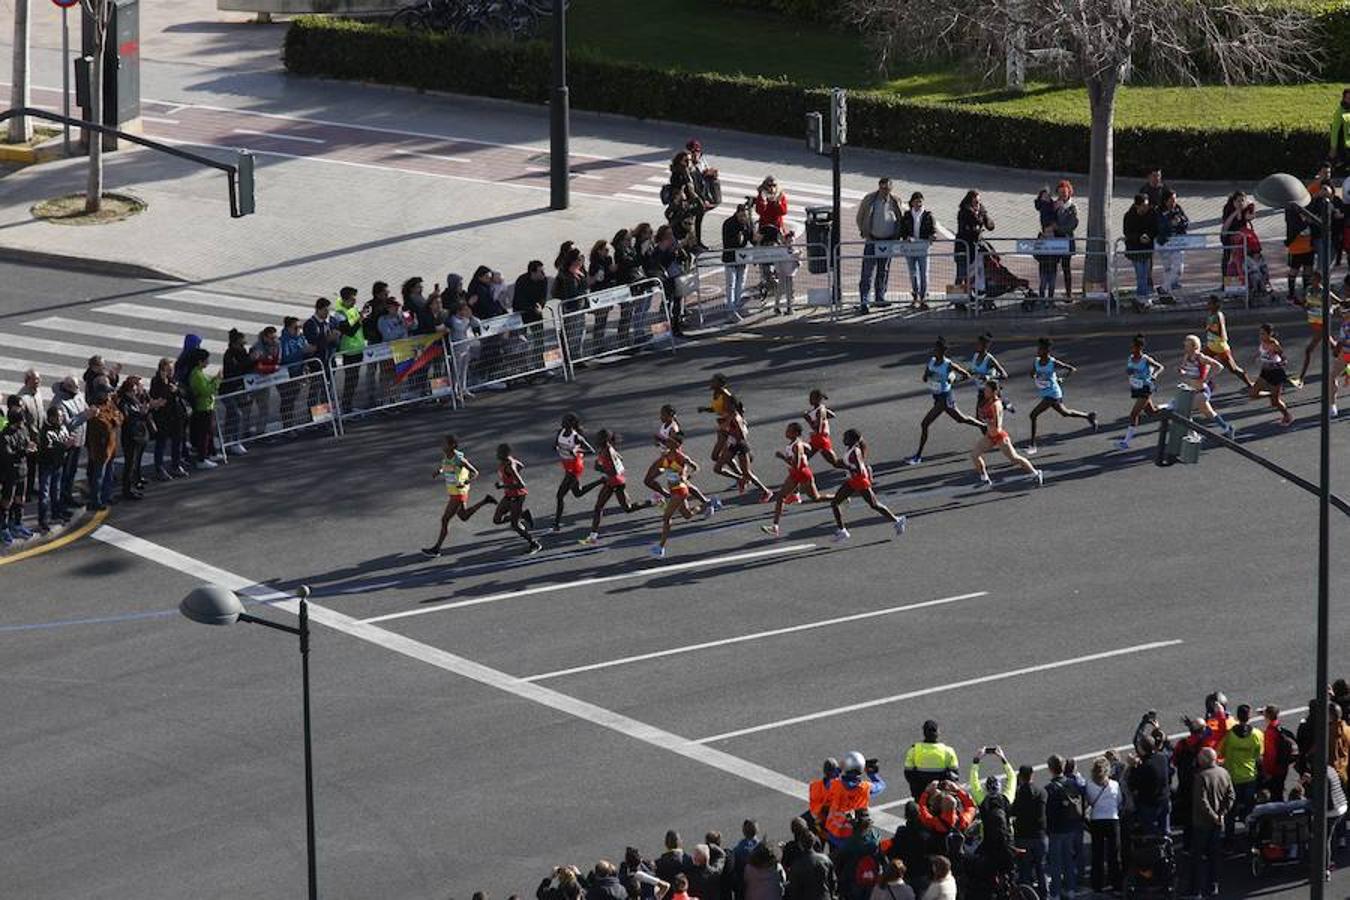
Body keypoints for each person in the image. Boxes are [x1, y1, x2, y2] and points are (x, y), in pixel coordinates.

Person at [905, 338, 982, 466]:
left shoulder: (948, 364)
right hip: (937, 397)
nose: (934, 351)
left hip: (945, 398)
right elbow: (925, 377)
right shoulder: (932, 361)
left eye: (936, 349)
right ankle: (984, 426)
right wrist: (927, 375)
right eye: (934, 348)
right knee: (960, 419)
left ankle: (918, 456)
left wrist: (953, 381)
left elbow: (966, 375)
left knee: (925, 424)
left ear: (943, 351)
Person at [421, 435, 497, 557]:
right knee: (463, 516)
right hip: (454, 492)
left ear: (452, 446)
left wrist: (465, 482)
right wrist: (439, 471)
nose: (442, 445)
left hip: (458, 494)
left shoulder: (459, 460)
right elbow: (447, 466)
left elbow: (475, 472)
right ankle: (486, 501)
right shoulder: (448, 456)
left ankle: (436, 549)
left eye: (444, 444)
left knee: (445, 519)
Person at [578, 429, 654, 545]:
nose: (596, 440)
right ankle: (593, 537)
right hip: (613, 481)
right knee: (606, 507)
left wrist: (600, 468)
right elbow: (620, 459)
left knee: (618, 508)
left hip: (615, 481)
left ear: (604, 439)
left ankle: (654, 501)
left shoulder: (608, 450)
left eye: (599, 438)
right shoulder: (605, 448)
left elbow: (613, 471)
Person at [830, 429, 906, 541]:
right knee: (836, 503)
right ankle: (842, 530)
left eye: (845, 437)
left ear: (852, 440)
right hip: (854, 481)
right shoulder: (852, 449)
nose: (843, 439)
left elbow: (859, 469)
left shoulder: (855, 452)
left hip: (859, 481)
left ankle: (898, 520)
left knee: (874, 504)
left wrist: (850, 468)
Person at [1025, 337, 1097, 455]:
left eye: (1041, 348)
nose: (1038, 350)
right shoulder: (1036, 361)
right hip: (1045, 393)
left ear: (1047, 350)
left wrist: (1062, 379)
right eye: (1038, 348)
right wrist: (1036, 377)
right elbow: (1032, 374)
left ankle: (1032, 445)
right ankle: (1089, 416)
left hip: (1053, 393)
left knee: (1033, 415)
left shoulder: (1052, 362)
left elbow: (1071, 369)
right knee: (1065, 413)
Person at [760, 422, 830, 538]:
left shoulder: (796, 445)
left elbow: (796, 465)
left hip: (801, 474)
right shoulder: (796, 443)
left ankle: (839, 498)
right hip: (796, 474)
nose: (786, 432)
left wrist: (782, 457)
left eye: (789, 430)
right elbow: (809, 448)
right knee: (781, 497)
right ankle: (775, 527)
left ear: (796, 433)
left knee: (816, 498)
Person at [971, 381, 1041, 487]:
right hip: (990, 436)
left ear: (994, 392)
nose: (984, 392)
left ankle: (1035, 473)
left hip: (1000, 437)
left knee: (1014, 458)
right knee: (975, 455)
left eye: (987, 390)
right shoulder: (986, 402)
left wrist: (986, 420)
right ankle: (984, 478)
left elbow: (997, 424)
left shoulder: (996, 404)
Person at [649, 432, 707, 559]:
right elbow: (659, 467)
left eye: (671, 441)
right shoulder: (665, 455)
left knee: (666, 517)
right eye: (668, 440)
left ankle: (661, 548)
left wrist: (686, 477)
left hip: (680, 490)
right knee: (687, 515)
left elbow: (696, 467)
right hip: (673, 490)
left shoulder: (682, 457)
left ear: (677, 444)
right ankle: (704, 506)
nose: (668, 442)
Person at [1187, 747, 1234, 899]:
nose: (1198, 759)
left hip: (1203, 824)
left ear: (1206, 759)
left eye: (1200, 757)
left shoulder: (1201, 776)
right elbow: (1231, 795)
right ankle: (1213, 885)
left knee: (1198, 857)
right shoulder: (1224, 773)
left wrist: (1213, 816)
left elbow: (1201, 801)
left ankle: (1196, 890)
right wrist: (1222, 814)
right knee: (1214, 856)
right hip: (1219, 823)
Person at [1177, 334, 1236, 438]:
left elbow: (1219, 366)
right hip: (1192, 391)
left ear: (1194, 346)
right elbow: (1184, 369)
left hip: (1201, 392)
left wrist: (1208, 377)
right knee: (1209, 413)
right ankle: (1227, 428)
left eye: (1187, 345)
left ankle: (1193, 434)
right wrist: (1182, 372)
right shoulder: (1187, 357)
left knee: (1185, 411)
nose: (1185, 346)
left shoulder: (1201, 358)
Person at [857, 177, 902, 313]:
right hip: (872, 240)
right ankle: (864, 300)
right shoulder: (869, 199)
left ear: (891, 188)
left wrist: (897, 234)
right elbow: (860, 217)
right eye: (882, 188)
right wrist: (865, 232)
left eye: (887, 189)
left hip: (888, 241)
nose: (884, 191)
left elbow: (900, 217)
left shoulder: (895, 200)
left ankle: (880, 297)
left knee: (884, 270)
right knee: (867, 272)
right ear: (879, 187)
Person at [1219, 703, 1264, 839]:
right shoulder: (1257, 734)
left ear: (1237, 717)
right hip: (1250, 776)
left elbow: (1222, 752)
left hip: (1233, 777)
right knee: (1250, 811)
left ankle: (1229, 840)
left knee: (1230, 812)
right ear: (1249, 717)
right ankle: (1250, 838)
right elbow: (1259, 755)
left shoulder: (1230, 736)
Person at [1044, 755, 1084, 900]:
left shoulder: (1049, 789)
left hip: (1055, 830)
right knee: (1069, 860)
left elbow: (1047, 812)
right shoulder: (1072, 784)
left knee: (1055, 864)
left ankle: (1055, 893)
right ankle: (1071, 889)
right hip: (1071, 828)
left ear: (1050, 769)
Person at [552, 413, 601, 533]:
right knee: (577, 493)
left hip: (575, 466)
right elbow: (556, 444)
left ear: (572, 424)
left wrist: (577, 449)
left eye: (566, 421)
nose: (563, 422)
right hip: (566, 464)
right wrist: (555, 447)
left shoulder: (576, 437)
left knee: (560, 496)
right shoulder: (560, 432)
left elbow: (591, 451)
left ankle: (556, 525)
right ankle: (601, 481)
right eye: (563, 420)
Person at [492, 443, 542, 555]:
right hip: (509, 495)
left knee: (515, 525)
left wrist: (503, 486)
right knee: (497, 519)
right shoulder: (506, 462)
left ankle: (534, 544)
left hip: (517, 496)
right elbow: (521, 465)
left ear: (504, 454)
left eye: (499, 453)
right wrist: (508, 482)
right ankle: (523, 515)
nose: (497, 454)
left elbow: (521, 484)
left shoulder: (509, 466)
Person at [1118, 333, 1165, 449]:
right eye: (1132, 347)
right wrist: (1129, 372)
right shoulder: (1130, 358)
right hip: (1136, 388)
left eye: (1134, 347)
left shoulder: (1145, 359)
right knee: (1151, 412)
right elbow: (1128, 370)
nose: (1132, 349)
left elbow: (1160, 367)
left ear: (1140, 348)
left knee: (1134, 414)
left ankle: (1126, 441)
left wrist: (1154, 375)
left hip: (1146, 388)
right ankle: (1169, 407)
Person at [1082, 757, 1121, 894]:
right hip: (1112, 820)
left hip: (1096, 821)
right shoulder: (1114, 785)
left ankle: (1097, 884)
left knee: (1097, 854)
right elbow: (1119, 801)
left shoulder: (1089, 785)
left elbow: (1087, 802)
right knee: (1113, 854)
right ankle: (1116, 883)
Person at [82, 384, 122, 512]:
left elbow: (120, 416)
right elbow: (104, 425)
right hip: (100, 448)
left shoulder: (109, 403)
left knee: (109, 474)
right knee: (99, 476)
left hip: (111, 445)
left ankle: (106, 496)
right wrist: (114, 419)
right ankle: (96, 500)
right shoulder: (95, 407)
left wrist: (114, 419)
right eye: (107, 393)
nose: (109, 395)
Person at [115, 377, 156, 501]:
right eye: (133, 390)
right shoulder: (124, 403)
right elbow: (126, 419)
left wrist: (143, 412)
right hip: (130, 436)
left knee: (133, 462)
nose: (135, 392)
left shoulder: (134, 400)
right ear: (127, 391)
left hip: (138, 434)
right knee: (130, 464)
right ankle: (127, 489)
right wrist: (140, 413)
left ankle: (132, 486)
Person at [1010, 765, 1048, 899]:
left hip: (1023, 837)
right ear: (1032, 775)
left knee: (1024, 870)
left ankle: (1026, 895)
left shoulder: (1019, 794)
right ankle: (1044, 895)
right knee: (1041, 868)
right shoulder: (1041, 792)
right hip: (1039, 836)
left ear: (1020, 777)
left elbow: (1012, 810)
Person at [0, 396, 34, 543]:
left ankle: (17, 523)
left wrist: (30, 447)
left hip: (22, 471)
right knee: (7, 501)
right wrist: (25, 450)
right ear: (16, 421)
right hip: (10, 474)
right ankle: (4, 527)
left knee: (21, 499)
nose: (23, 423)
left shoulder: (23, 430)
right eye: (21, 421)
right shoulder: (5, 436)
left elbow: (27, 442)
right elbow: (8, 456)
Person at [1248, 322, 1295, 426]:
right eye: (1260, 334)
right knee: (1253, 394)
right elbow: (1262, 353)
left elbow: (1284, 359)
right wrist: (1257, 357)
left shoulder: (1274, 344)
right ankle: (1270, 394)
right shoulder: (1262, 342)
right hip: (1264, 372)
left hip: (1276, 373)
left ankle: (1287, 416)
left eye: (1263, 334)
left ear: (1270, 334)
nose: (1261, 336)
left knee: (1275, 402)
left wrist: (1278, 364)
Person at [1203, 295, 1253, 389]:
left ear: (1215, 304)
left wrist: (1210, 329)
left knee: (1233, 369)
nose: (1207, 304)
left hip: (1220, 346)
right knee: (1200, 362)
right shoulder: (1212, 314)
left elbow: (1220, 332)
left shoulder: (1218, 315)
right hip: (1211, 345)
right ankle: (1204, 384)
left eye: (1210, 303)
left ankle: (1249, 384)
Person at [1127, 733, 1172, 836]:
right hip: (1164, 799)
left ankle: (1156, 846)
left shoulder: (1143, 766)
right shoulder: (1162, 758)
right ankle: (1166, 842)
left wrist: (1133, 766)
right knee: (1165, 828)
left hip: (1149, 803)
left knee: (1150, 830)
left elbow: (1132, 783)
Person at [898, 192, 937, 310]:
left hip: (923, 247)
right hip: (910, 248)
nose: (919, 204)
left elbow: (933, 230)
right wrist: (906, 237)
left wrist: (933, 236)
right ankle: (915, 295)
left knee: (924, 273)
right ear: (912, 202)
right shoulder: (907, 215)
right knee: (913, 272)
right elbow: (902, 230)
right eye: (916, 201)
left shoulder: (928, 215)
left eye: (920, 201)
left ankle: (924, 297)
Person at [903, 720, 959, 799]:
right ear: (938, 733)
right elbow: (953, 775)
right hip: (941, 795)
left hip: (920, 793)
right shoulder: (948, 751)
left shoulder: (914, 750)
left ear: (924, 733)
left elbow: (909, 774)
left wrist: (922, 788)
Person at [954, 190, 993, 296]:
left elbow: (990, 226)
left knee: (972, 275)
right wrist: (977, 229)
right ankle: (957, 299)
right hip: (963, 248)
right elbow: (966, 230)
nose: (978, 204)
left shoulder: (981, 211)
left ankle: (970, 297)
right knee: (961, 275)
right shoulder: (964, 212)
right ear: (970, 201)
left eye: (979, 202)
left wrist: (985, 215)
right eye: (976, 202)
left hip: (975, 249)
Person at [722, 204, 756, 322]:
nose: (743, 218)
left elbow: (752, 238)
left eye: (745, 216)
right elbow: (727, 242)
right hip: (731, 258)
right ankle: (730, 310)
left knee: (740, 283)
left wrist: (756, 238)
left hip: (743, 258)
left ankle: (735, 306)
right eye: (742, 216)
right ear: (737, 213)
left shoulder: (748, 223)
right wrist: (738, 238)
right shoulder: (729, 223)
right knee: (731, 284)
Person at [1155, 188, 1190, 301]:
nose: (1173, 202)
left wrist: (1180, 221)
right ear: (1165, 200)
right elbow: (1159, 227)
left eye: (1175, 199)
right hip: (1164, 243)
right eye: (1171, 200)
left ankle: (1163, 288)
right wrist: (1170, 223)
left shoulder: (1178, 208)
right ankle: (1167, 295)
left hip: (1177, 242)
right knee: (1168, 269)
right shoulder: (1159, 211)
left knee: (1178, 269)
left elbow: (1186, 222)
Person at [784, 826, 835, 900]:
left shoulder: (797, 865)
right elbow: (832, 882)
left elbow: (794, 890)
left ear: (800, 845)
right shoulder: (825, 860)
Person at [1123, 193, 1155, 308]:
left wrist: (1149, 236)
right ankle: (1143, 297)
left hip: (1147, 249)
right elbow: (1127, 232)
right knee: (1140, 273)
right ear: (1137, 205)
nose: (1146, 208)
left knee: (1145, 274)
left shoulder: (1151, 214)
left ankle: (1142, 296)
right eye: (1143, 205)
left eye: (1147, 205)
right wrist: (1139, 238)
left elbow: (1154, 228)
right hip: (1135, 249)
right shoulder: (1129, 216)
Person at [1261, 704, 1299, 801]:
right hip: (1283, 767)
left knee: (1275, 795)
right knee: (1279, 790)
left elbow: (1271, 756)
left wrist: (1268, 772)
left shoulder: (1270, 732)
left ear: (1267, 716)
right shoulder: (1280, 729)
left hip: (1274, 771)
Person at [968, 333, 1013, 413]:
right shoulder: (975, 356)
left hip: (991, 391)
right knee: (982, 415)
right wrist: (960, 377)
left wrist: (988, 378)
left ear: (985, 346)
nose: (977, 345)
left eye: (980, 344)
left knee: (981, 415)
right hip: (981, 390)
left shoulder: (989, 359)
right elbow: (971, 371)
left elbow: (1004, 375)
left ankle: (1004, 403)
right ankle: (1005, 403)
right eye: (977, 343)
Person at [1050, 180, 1079, 298]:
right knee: (1052, 267)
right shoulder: (1055, 205)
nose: (1062, 195)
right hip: (1055, 240)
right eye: (1060, 192)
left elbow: (1073, 224)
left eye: (1065, 192)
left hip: (1066, 241)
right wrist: (1054, 210)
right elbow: (1047, 218)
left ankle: (1068, 293)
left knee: (1066, 267)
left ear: (1069, 193)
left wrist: (1058, 228)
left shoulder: (1072, 207)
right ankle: (1050, 295)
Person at [1334, 87, 1350, 175]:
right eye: (1348, 98)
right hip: (1344, 146)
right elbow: (1335, 132)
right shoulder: (1340, 112)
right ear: (1344, 98)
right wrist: (1333, 147)